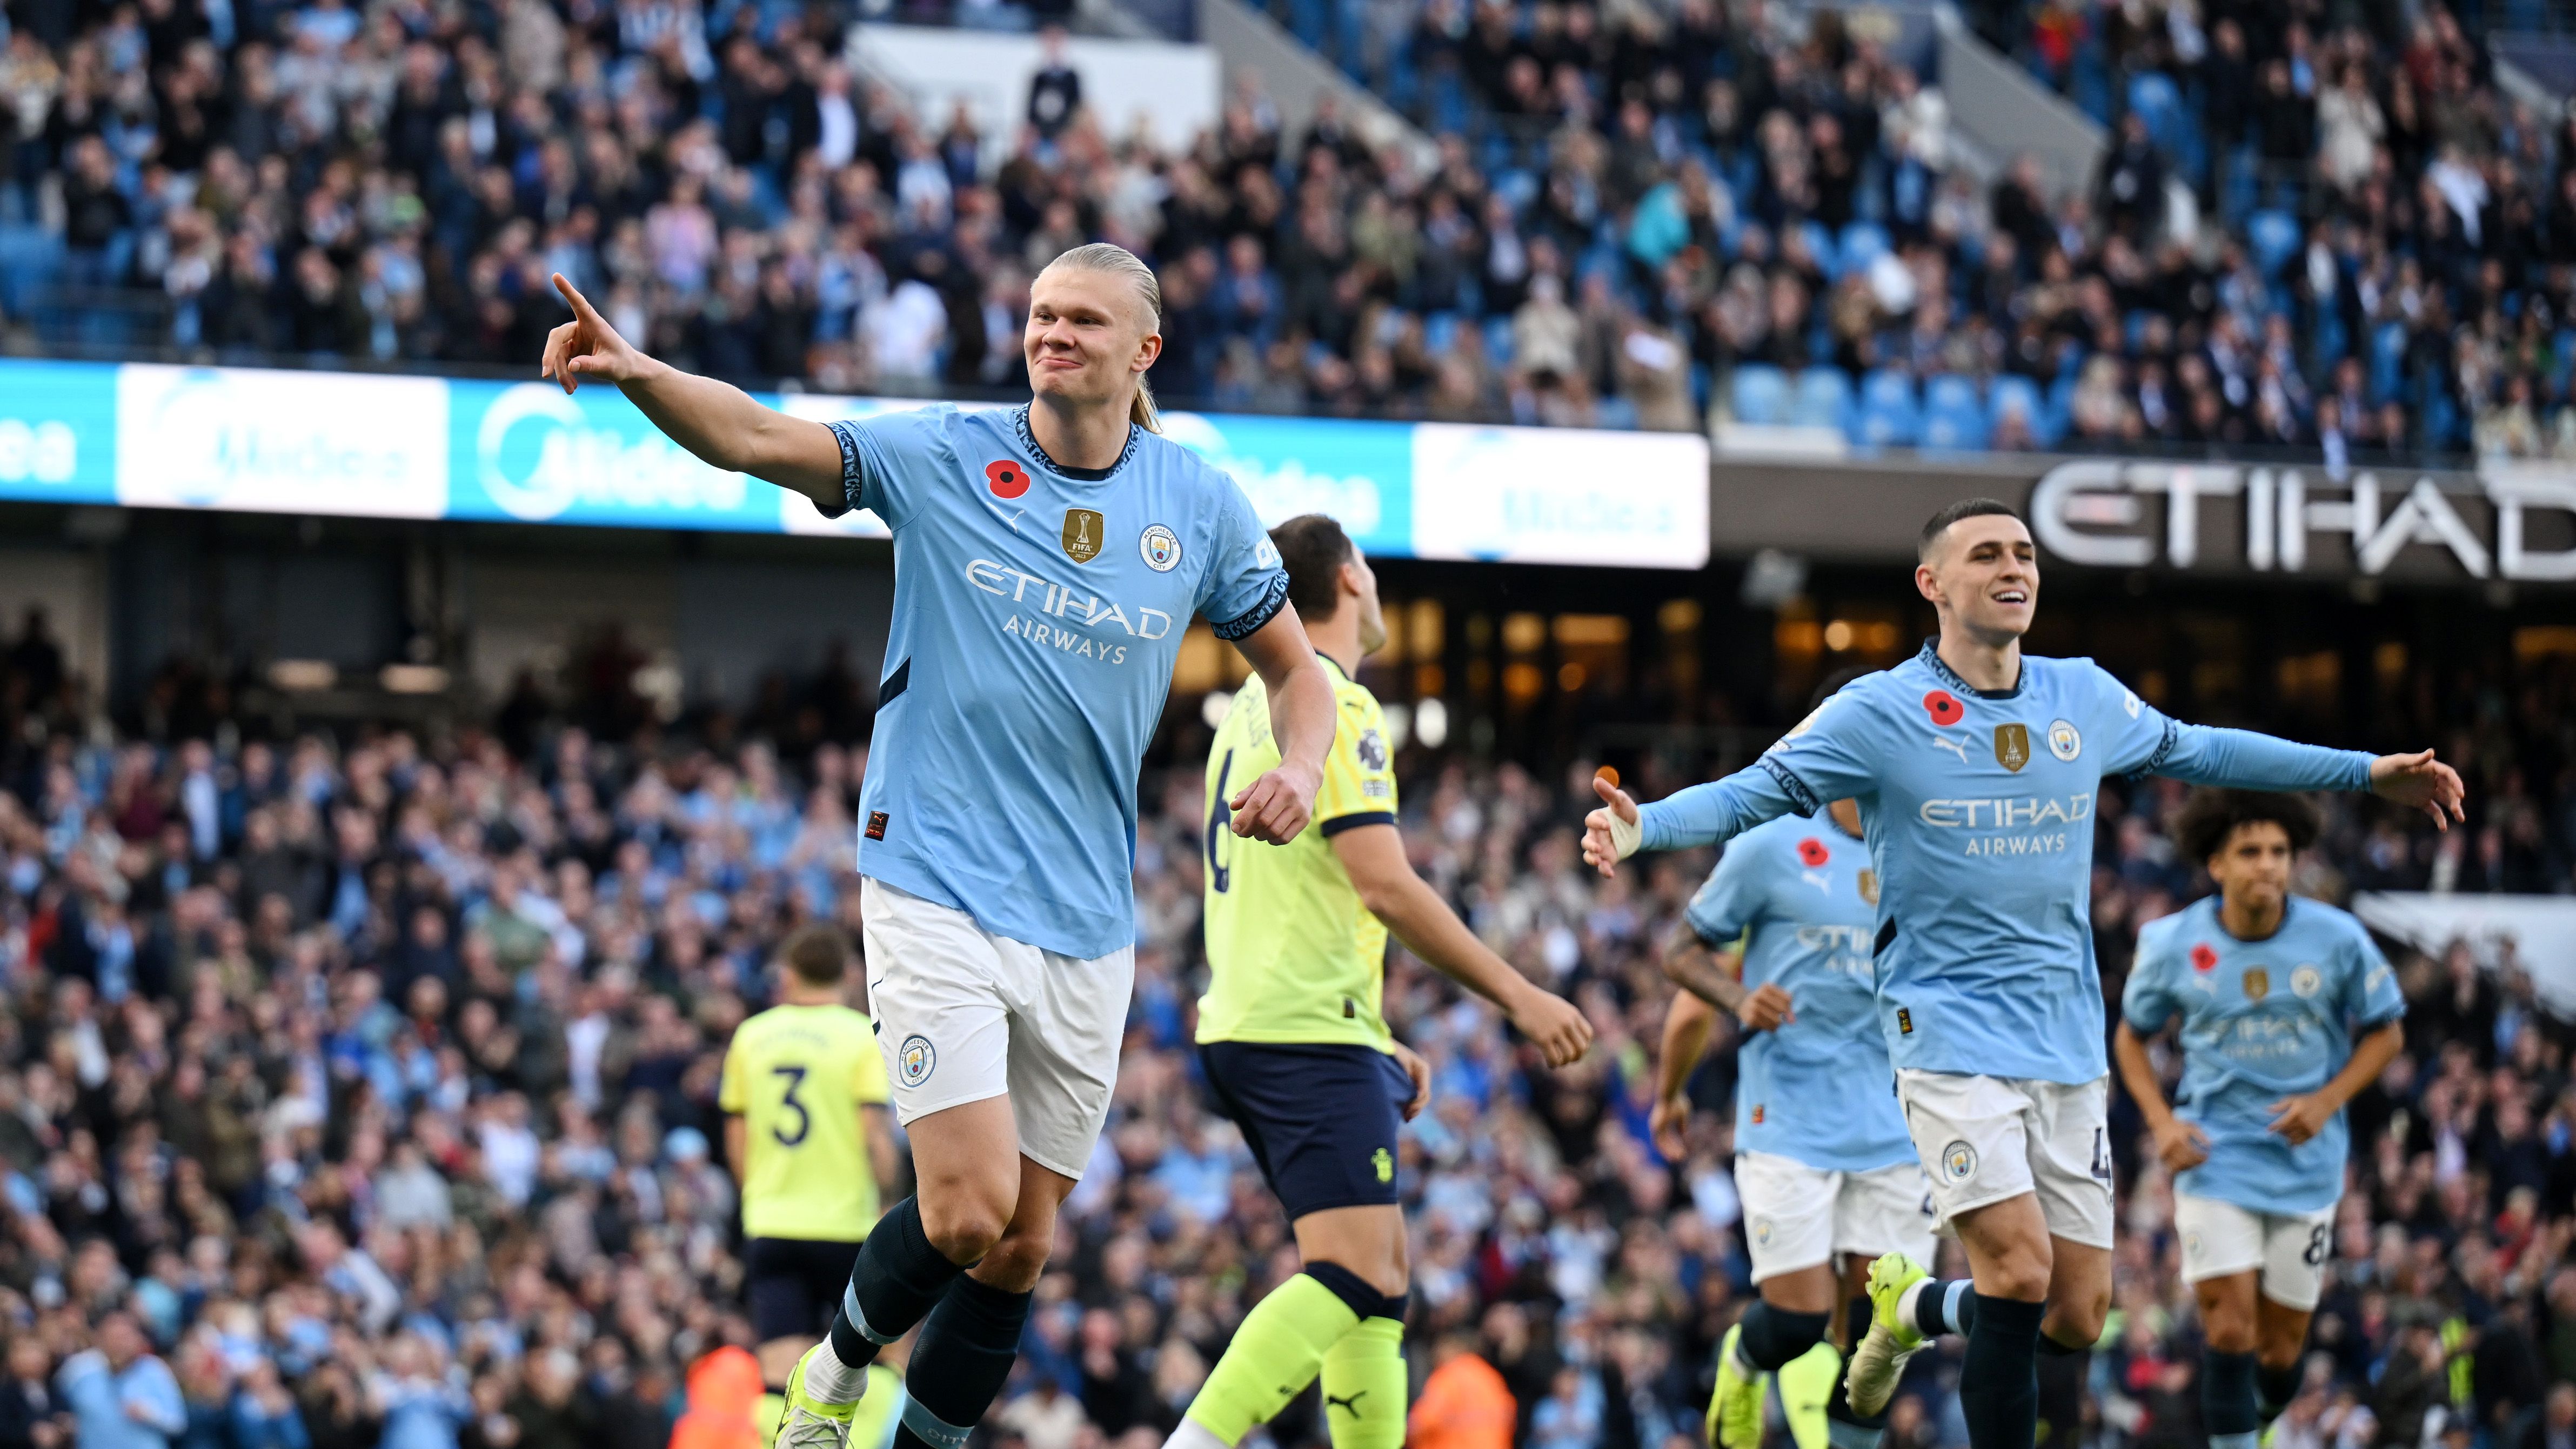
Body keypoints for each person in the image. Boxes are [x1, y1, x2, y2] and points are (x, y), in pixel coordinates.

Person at [540, 241, 1339, 1449]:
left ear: (1144, 350)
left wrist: (1300, 765)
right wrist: (638, 370)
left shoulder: (1198, 504)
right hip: (934, 873)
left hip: (1086, 915)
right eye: (1040, 314)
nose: (1051, 333)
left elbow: (1297, 671)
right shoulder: (949, 455)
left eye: (1081, 320)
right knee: (965, 1209)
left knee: (1020, 1244)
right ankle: (831, 1371)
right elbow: (757, 438)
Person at [1585, 499, 2463, 1449]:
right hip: (1944, 1033)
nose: (2013, 568)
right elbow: (1752, 792)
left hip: (2064, 1039)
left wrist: (2363, 771)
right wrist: (1645, 825)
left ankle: (1911, 1310)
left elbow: (2203, 748)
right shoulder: (1878, 711)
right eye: (1986, 555)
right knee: (2014, 1272)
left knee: (2076, 1313)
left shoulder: (2079, 695)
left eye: (2024, 553)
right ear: (1931, 584)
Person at [1166, 515, 1593, 1449]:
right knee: (1353, 1271)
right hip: (1298, 1030)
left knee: (1383, 1277)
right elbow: (1383, 883)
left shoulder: (1249, 709)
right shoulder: (1334, 701)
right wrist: (1520, 996)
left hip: (1275, 1020)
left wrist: (1370, 1029)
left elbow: (1290, 896)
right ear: (1351, 578)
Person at [1649, 699, 1933, 1449]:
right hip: (1788, 1119)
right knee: (1800, 1319)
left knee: (1883, 1336)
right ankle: (1742, 1363)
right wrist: (1737, 1001)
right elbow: (1680, 956)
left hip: (1896, 1126)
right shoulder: (1771, 846)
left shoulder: (1927, 850)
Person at [2110, 790, 2406, 1449]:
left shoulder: (2337, 937)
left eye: (2279, 851)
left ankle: (2261, 1415)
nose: (2268, 864)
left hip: (2307, 1164)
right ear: (2216, 862)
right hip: (2214, 1154)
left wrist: (2326, 1099)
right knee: (2229, 1326)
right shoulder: (2171, 941)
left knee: (2279, 1349)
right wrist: (2162, 1122)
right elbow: (2131, 1037)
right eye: (2250, 851)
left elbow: (2388, 1031)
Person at [718, 925, 900, 1434]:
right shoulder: (859, 1035)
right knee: (870, 1363)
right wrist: (889, 1199)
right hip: (847, 1225)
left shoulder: (751, 1036)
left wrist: (757, 1196)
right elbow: (874, 1135)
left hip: (773, 1221)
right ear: (847, 974)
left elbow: (736, 1136)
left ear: (789, 974)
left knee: (779, 1373)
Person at [57, 1316, 183, 1449]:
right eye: (113, 1338)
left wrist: (150, 1414)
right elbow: (57, 1406)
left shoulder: (154, 1370)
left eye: (125, 1338)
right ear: (100, 1340)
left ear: (138, 1340)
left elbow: (178, 1423)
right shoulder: (80, 1371)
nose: (119, 1345)